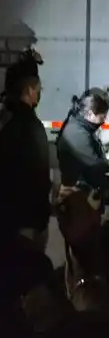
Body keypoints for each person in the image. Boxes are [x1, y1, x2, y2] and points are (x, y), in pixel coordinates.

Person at [54, 88, 109, 308]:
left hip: (80, 201)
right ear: (89, 114)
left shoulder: (79, 127)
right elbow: (95, 167)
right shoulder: (77, 134)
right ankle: (84, 307)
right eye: (101, 115)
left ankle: (83, 303)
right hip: (78, 203)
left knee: (82, 257)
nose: (104, 120)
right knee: (84, 258)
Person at [0, 72, 51, 252]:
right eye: (38, 90)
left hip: (10, 213)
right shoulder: (31, 126)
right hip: (29, 215)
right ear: (29, 91)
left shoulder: (8, 123)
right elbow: (38, 173)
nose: (39, 94)